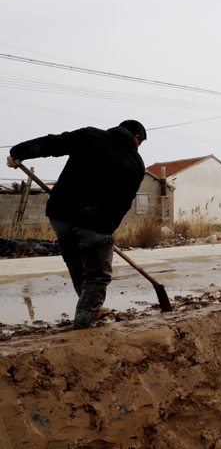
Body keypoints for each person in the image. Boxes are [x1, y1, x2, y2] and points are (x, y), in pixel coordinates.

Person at [6, 120, 146, 329]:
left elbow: (51, 143)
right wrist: (108, 230)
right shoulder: (137, 165)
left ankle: (85, 307)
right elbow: (124, 204)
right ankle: (83, 326)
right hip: (95, 225)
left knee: (77, 266)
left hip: (60, 217)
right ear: (136, 138)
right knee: (97, 278)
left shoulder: (90, 135)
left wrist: (18, 153)